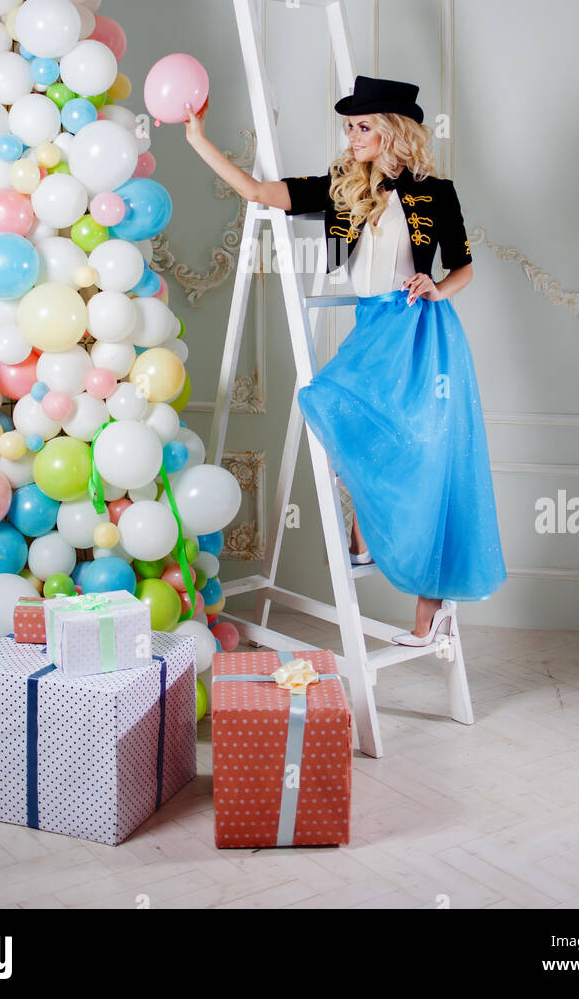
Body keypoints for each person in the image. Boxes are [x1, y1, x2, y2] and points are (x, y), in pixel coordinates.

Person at [184, 74, 506, 646]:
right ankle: (363, 531)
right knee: (332, 404)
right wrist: (198, 142)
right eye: (350, 127)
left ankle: (428, 617)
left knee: (426, 458)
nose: (352, 136)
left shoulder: (436, 191)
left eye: (362, 127)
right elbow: (260, 193)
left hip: (420, 329)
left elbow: (464, 268)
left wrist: (436, 288)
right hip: (372, 326)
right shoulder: (342, 184)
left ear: (391, 131)